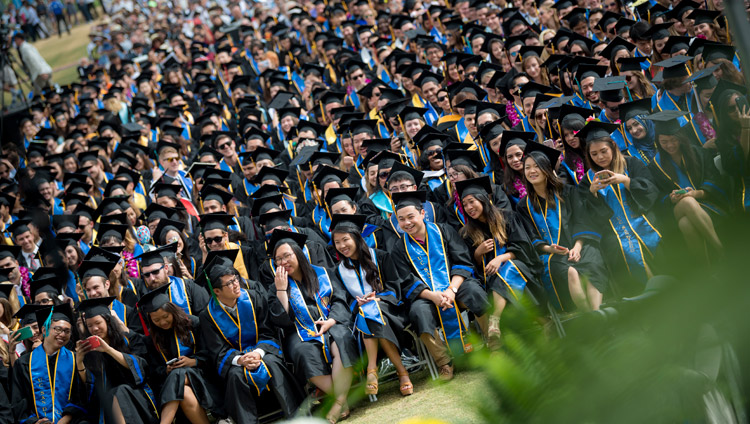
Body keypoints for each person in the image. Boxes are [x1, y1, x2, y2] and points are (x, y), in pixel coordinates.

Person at [390, 191, 491, 380]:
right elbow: (406, 281)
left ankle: (495, 345)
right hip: (427, 296)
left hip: (456, 286)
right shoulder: (399, 247)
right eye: (401, 219)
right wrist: (433, 296)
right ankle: (444, 363)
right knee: (418, 313)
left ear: (422, 213)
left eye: (411, 216)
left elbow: (462, 261)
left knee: (475, 292)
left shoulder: (444, 230)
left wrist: (451, 290)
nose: (407, 223)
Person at [198, 253, 303, 423]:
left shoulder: (254, 297)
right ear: (216, 291)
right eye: (229, 283)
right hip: (236, 361)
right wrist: (240, 360)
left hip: (262, 350)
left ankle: (297, 417)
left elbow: (267, 331)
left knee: (272, 363)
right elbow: (217, 350)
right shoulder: (208, 316)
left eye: (235, 279)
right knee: (235, 376)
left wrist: (258, 353)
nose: (236, 285)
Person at [267, 230, 356, 423]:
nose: (283, 262)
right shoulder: (276, 285)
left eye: (287, 255)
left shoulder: (323, 273)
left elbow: (340, 300)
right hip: (299, 333)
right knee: (302, 352)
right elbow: (280, 320)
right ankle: (342, 400)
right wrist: (281, 290)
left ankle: (338, 402)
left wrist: (332, 321)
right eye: (278, 259)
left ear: (298, 253)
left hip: (331, 323)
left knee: (341, 339)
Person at [517, 144, 609, 311]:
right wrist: (549, 248)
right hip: (550, 255)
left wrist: (577, 247)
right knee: (570, 271)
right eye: (527, 167)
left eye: (537, 166)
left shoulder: (568, 192)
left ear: (547, 168)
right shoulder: (524, 206)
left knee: (591, 260)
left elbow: (581, 220)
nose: (532, 171)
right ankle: (588, 314)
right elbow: (529, 236)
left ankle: (597, 311)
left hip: (578, 245)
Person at [330, 214, 413, 396]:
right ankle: (402, 373)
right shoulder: (337, 271)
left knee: (372, 312)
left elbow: (394, 287)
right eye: (337, 242)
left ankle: (372, 369)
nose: (342, 246)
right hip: (360, 319)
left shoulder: (381, 257)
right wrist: (357, 304)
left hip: (391, 310)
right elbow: (343, 300)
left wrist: (379, 299)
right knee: (368, 313)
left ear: (356, 238)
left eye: (345, 240)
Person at [578, 121, 662, 294]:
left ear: (613, 146)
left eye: (603, 151)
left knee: (652, 237)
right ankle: (648, 291)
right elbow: (588, 216)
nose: (600, 157)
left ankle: (661, 285)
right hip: (613, 230)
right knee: (619, 247)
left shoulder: (631, 164)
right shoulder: (587, 180)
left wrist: (627, 181)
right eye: (594, 154)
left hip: (643, 217)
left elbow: (652, 191)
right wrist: (592, 193)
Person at [139, 284, 217, 424]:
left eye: (165, 316)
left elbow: (211, 353)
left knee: (178, 374)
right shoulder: (151, 340)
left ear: (172, 310)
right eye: (156, 320)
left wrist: (193, 361)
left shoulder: (193, 323)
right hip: (177, 390)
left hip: (202, 378)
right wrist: (166, 369)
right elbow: (153, 370)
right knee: (184, 391)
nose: (162, 322)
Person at [76, 296, 158, 423]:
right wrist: (80, 361)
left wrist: (108, 349)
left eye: (98, 323)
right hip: (107, 405)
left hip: (136, 399)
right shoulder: (90, 351)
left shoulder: (129, 339)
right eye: (90, 325)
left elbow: (141, 368)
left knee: (120, 391)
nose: (94, 329)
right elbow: (90, 386)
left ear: (108, 321)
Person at [11, 304, 87, 424]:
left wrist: (64, 420)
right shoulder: (24, 363)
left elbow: (80, 396)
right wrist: (35, 422)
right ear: (44, 330)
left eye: (67, 331)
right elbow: (19, 400)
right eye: (57, 329)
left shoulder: (75, 359)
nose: (62, 334)